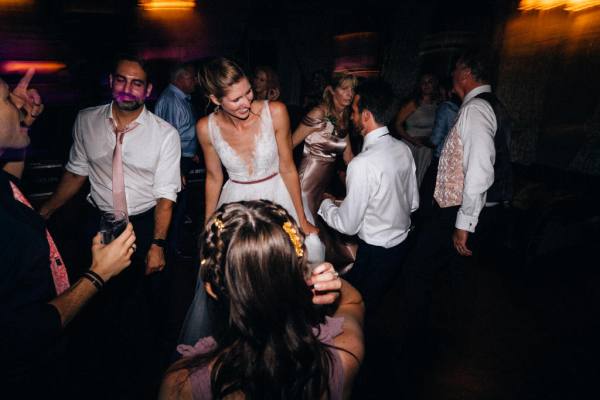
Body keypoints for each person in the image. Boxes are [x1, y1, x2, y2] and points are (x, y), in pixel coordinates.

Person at [38, 55, 182, 396]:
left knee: (141, 306)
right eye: (121, 80)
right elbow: (77, 171)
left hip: (145, 223)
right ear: (111, 81)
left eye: (136, 83)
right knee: (94, 299)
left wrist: (157, 244)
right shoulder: (87, 120)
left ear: (148, 90)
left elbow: (165, 196)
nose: (127, 89)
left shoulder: (165, 134)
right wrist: (44, 211)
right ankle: (94, 376)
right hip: (97, 221)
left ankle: (140, 380)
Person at [0, 70, 136, 396]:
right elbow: (23, 331)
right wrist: (97, 274)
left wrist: (20, 126)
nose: (20, 102)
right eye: (7, 99)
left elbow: (12, 187)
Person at [178, 57, 324, 347]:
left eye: (248, 92)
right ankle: (244, 344)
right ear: (214, 99)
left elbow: (287, 167)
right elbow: (213, 178)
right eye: (236, 99)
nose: (247, 101)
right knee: (236, 279)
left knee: (296, 262)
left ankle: (290, 339)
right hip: (234, 202)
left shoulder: (277, 112)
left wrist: (302, 216)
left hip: (278, 195)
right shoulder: (206, 127)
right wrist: (209, 226)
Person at [159, 200, 364, 400]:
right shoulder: (345, 356)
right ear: (299, 277)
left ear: (211, 290)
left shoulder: (182, 384)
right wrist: (313, 277)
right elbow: (354, 303)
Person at [399, 51, 513, 389]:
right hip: (475, 208)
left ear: (464, 75)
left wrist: (464, 224)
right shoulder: (494, 104)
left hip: (460, 210)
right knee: (452, 273)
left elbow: (479, 169)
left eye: (454, 75)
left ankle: (415, 341)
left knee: (420, 268)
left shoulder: (477, 109)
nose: (452, 81)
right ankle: (440, 336)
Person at [318, 78, 419, 315]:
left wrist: (324, 203)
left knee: (354, 310)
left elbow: (348, 225)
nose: (352, 116)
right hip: (401, 246)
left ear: (366, 116)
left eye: (354, 111)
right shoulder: (403, 148)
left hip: (374, 254)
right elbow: (413, 203)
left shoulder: (362, 164)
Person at [292, 72, 358, 271]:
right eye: (344, 88)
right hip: (305, 182)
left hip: (322, 184)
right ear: (331, 90)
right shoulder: (318, 113)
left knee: (318, 229)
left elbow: (348, 157)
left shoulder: (344, 116)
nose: (349, 94)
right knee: (303, 232)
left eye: (352, 89)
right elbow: (289, 144)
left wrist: (366, 178)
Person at [155, 62, 198, 257]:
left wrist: (192, 151)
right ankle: (171, 247)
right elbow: (169, 139)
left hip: (183, 159)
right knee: (175, 205)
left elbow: (182, 132)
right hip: (176, 162)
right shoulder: (172, 100)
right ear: (179, 78)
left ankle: (173, 244)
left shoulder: (179, 98)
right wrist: (177, 169)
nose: (195, 81)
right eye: (191, 77)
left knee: (180, 204)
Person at [418, 78, 461, 219]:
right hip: (455, 161)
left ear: (448, 91)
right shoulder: (463, 108)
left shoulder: (445, 107)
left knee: (426, 193)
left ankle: (421, 225)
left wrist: (421, 140)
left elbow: (435, 140)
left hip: (440, 158)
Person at [394, 73, 440, 187]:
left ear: (434, 84)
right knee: (407, 180)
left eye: (429, 82)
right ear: (419, 85)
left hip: (426, 147)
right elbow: (397, 124)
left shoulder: (437, 104)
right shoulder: (413, 103)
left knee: (421, 180)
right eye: (423, 82)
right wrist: (412, 140)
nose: (426, 85)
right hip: (411, 145)